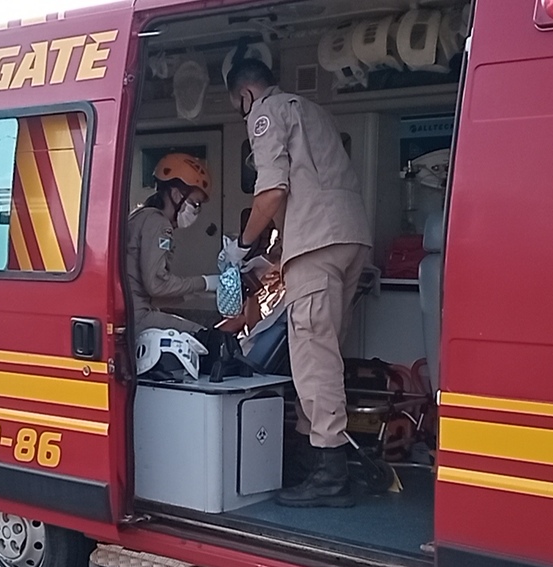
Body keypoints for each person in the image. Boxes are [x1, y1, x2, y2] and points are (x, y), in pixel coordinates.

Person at [223, 58, 373, 508]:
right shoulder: (312, 111)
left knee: (312, 356)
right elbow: (312, 190)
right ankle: (315, 456)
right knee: (325, 351)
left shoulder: (266, 114)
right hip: (349, 240)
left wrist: (243, 246)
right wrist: (274, 256)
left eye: (238, 105)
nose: (243, 113)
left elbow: (272, 192)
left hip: (318, 247)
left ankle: (330, 473)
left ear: (245, 94)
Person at [126, 153, 226, 334]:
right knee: (204, 338)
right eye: (195, 203)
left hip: (133, 312)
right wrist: (205, 283)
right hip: (138, 316)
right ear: (175, 194)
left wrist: (197, 293)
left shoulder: (142, 217)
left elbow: (151, 292)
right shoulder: (158, 224)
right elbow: (156, 285)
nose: (196, 211)